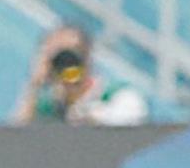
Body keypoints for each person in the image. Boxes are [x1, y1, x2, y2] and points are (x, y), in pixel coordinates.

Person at [12, 23, 148, 125]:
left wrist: (86, 115)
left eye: (72, 55)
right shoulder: (46, 107)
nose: (66, 64)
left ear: (88, 58)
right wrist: (34, 85)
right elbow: (15, 141)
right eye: (59, 57)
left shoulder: (118, 96)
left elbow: (130, 125)